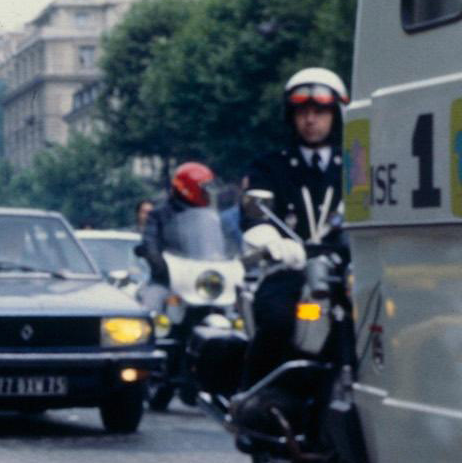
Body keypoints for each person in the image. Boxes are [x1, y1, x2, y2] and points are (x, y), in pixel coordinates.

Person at [238, 68, 348, 387]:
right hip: (289, 270)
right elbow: (255, 215)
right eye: (303, 111)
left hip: (342, 272)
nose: (311, 119)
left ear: (336, 115)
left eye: (321, 111)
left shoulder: (357, 164)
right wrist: (272, 241)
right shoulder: (270, 166)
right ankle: (255, 397)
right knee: (276, 320)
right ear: (292, 116)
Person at [138, 162, 215, 288]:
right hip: (166, 280)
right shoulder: (158, 215)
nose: (207, 191)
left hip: (202, 280)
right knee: (153, 300)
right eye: (204, 187)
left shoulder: (209, 216)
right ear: (190, 188)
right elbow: (150, 243)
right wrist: (159, 265)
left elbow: (221, 245)